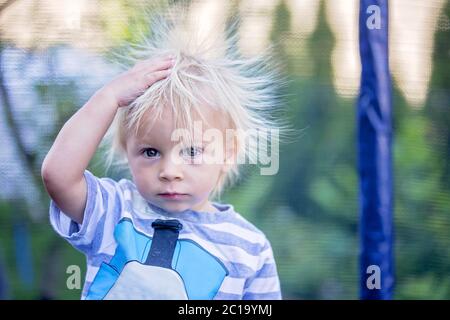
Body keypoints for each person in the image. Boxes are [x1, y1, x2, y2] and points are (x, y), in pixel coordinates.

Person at [41, 8, 285, 300]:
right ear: (127, 153)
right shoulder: (114, 212)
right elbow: (58, 175)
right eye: (151, 151)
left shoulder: (249, 247)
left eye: (192, 150)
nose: (170, 170)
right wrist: (109, 97)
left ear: (228, 153)